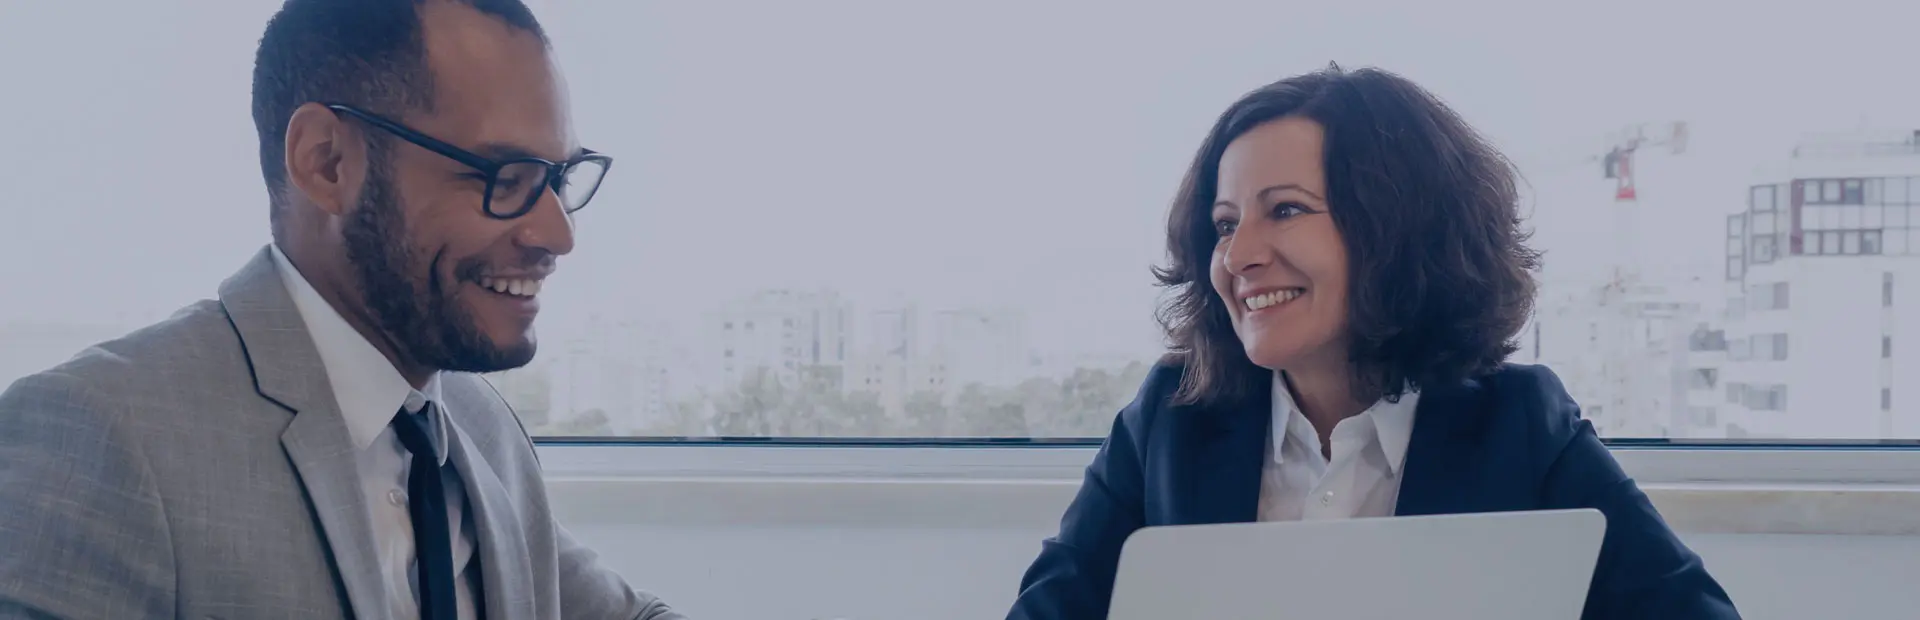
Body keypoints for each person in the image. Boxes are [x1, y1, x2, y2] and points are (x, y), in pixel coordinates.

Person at [0, 1, 683, 618]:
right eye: (504, 178)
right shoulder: (104, 433)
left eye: (559, 178)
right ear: (326, 163)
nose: (556, 233)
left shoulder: (476, 427)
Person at [1005, 65, 1739, 620]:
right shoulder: (1167, 420)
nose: (1238, 256)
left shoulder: (1522, 423)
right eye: (1226, 224)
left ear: (1397, 231)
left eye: (1284, 210)